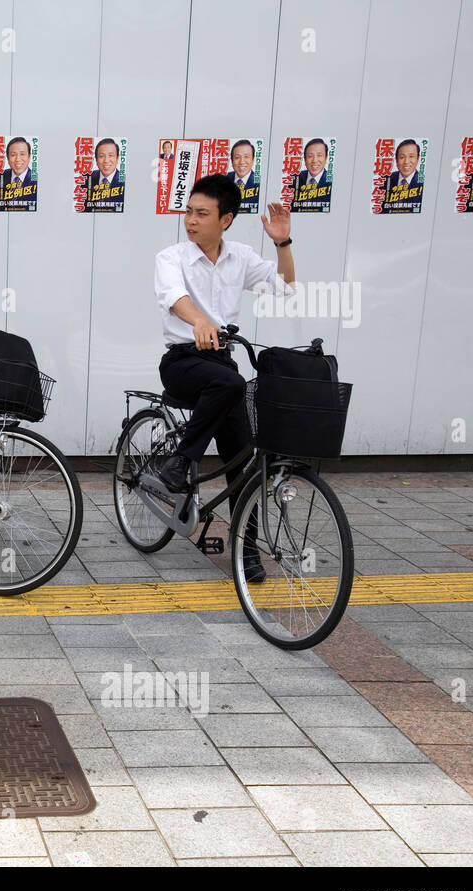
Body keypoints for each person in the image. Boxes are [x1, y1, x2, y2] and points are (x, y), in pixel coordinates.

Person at [153, 174, 294, 582]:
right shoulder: (171, 257)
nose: (191, 220)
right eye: (188, 211)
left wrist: (282, 243)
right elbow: (173, 297)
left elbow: (285, 287)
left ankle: (246, 551)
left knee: (244, 462)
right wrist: (199, 321)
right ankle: (181, 461)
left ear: (225, 219)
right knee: (231, 385)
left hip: (221, 366)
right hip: (182, 362)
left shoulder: (242, 258)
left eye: (202, 213)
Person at [382, 139, 423, 211]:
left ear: (418, 159)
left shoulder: (423, 183)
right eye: (402, 157)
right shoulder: (385, 179)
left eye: (411, 156)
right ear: (396, 161)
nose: (406, 162)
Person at [228, 139, 258, 211]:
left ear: (253, 160)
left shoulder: (259, 183)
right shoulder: (224, 180)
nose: (242, 162)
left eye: (246, 157)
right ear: (232, 161)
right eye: (237, 157)